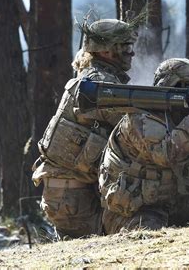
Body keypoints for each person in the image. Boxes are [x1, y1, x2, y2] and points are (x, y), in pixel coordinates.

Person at [98, 58, 189, 233]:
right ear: (170, 86)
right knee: (150, 232)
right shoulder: (139, 118)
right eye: (188, 87)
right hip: (133, 211)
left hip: (173, 205)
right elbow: (165, 155)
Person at [32, 18, 137, 238]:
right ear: (107, 51)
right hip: (74, 201)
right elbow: (139, 130)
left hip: (71, 198)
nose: (131, 53)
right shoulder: (99, 86)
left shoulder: (93, 79)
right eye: (125, 46)